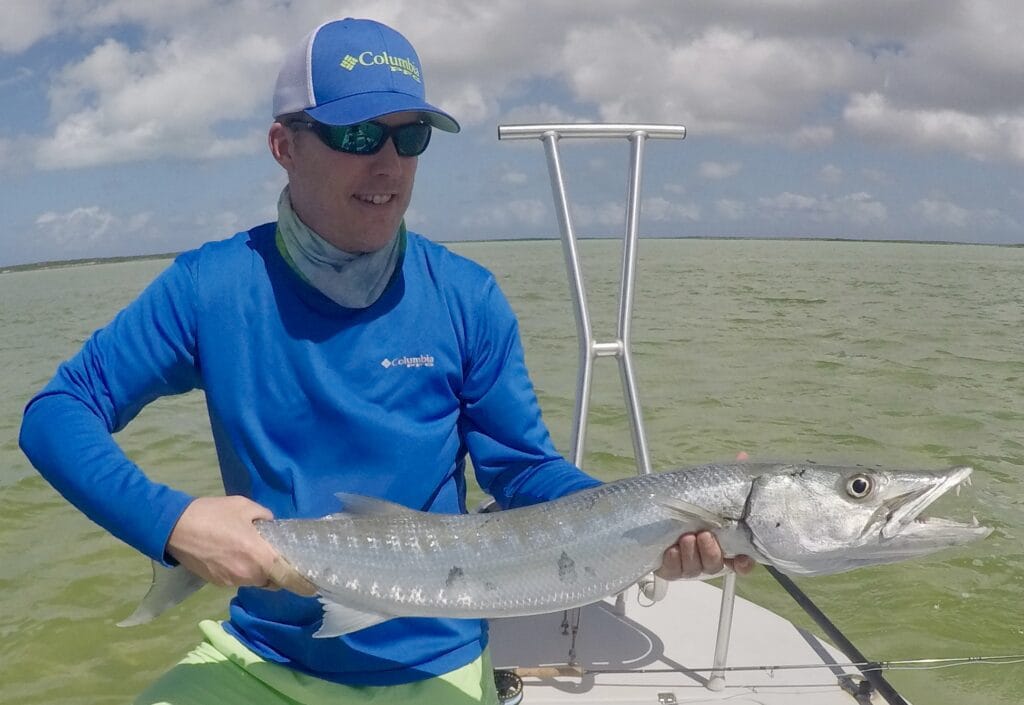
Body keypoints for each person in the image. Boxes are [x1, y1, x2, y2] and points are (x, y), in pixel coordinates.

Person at [19, 17, 752, 705]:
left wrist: (646, 524)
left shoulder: (466, 296)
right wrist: (173, 522)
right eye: (359, 132)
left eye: (410, 139)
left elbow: (525, 471)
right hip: (263, 654)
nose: (388, 164)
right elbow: (58, 412)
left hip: (434, 663)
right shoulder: (211, 288)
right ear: (284, 145)